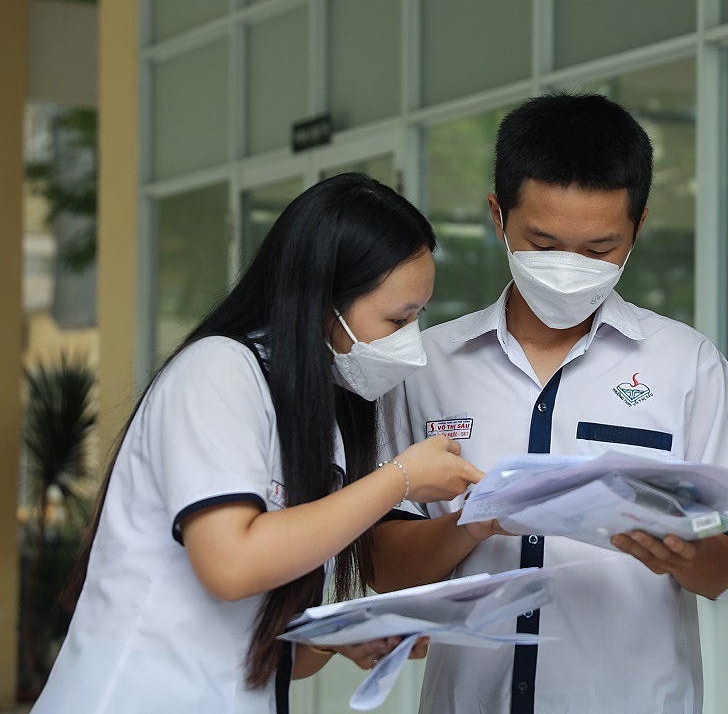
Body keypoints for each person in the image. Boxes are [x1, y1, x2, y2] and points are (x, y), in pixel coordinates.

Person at [33, 173, 484, 714]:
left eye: (418, 317)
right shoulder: (218, 372)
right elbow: (230, 565)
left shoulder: (319, 419)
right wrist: (403, 480)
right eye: (397, 319)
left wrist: (334, 641)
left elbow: (267, 642)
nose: (409, 340)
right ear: (322, 298)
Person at [370, 92, 728, 714]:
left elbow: (726, 568)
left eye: (599, 249)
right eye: (542, 243)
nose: (569, 268)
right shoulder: (423, 367)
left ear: (638, 228)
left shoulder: (686, 365)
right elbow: (386, 570)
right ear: (499, 217)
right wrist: (481, 519)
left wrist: (682, 553)